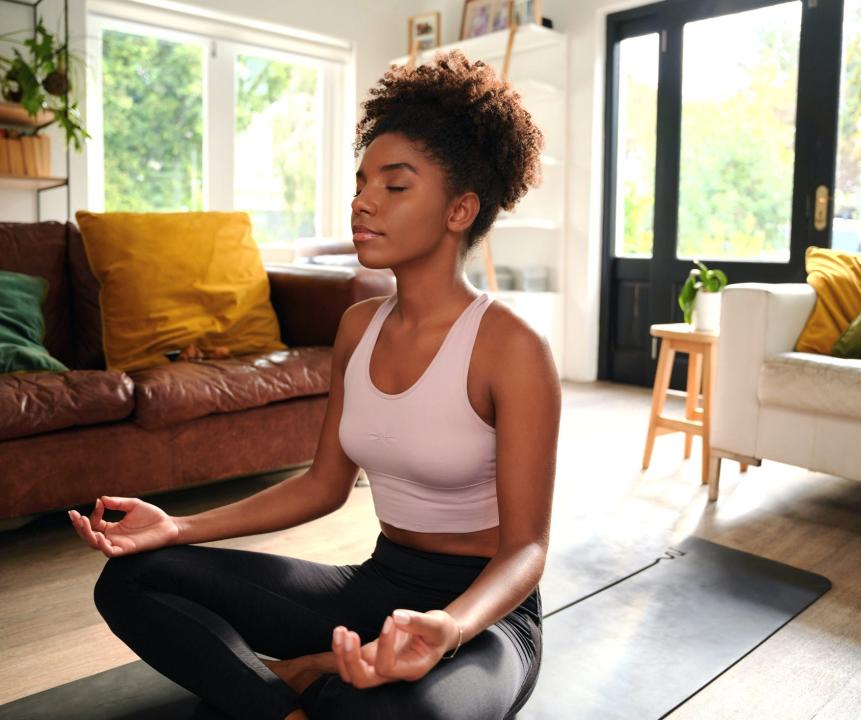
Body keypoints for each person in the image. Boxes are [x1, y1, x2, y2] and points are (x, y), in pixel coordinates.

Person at [68, 49, 561, 720]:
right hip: (377, 584)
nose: (361, 201)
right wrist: (178, 525)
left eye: (395, 185)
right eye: (361, 182)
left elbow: (527, 548)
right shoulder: (358, 327)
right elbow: (322, 486)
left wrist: (451, 626)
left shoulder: (512, 347)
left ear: (459, 209)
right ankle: (294, 697)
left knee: (419, 717)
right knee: (133, 578)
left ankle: (310, 678)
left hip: (486, 620)